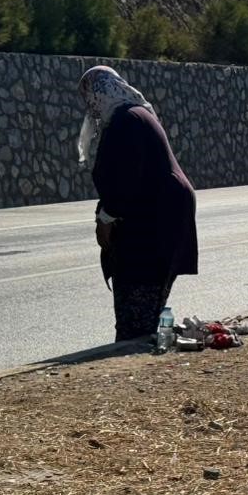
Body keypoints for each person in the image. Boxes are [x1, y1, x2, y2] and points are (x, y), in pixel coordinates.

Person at [77, 66, 199, 340]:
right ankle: (138, 341)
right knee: (145, 307)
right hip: (163, 213)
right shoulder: (134, 114)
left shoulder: (125, 121)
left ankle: (130, 347)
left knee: (137, 307)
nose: (90, 106)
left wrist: (107, 218)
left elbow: (125, 180)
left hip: (154, 220)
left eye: (91, 96)